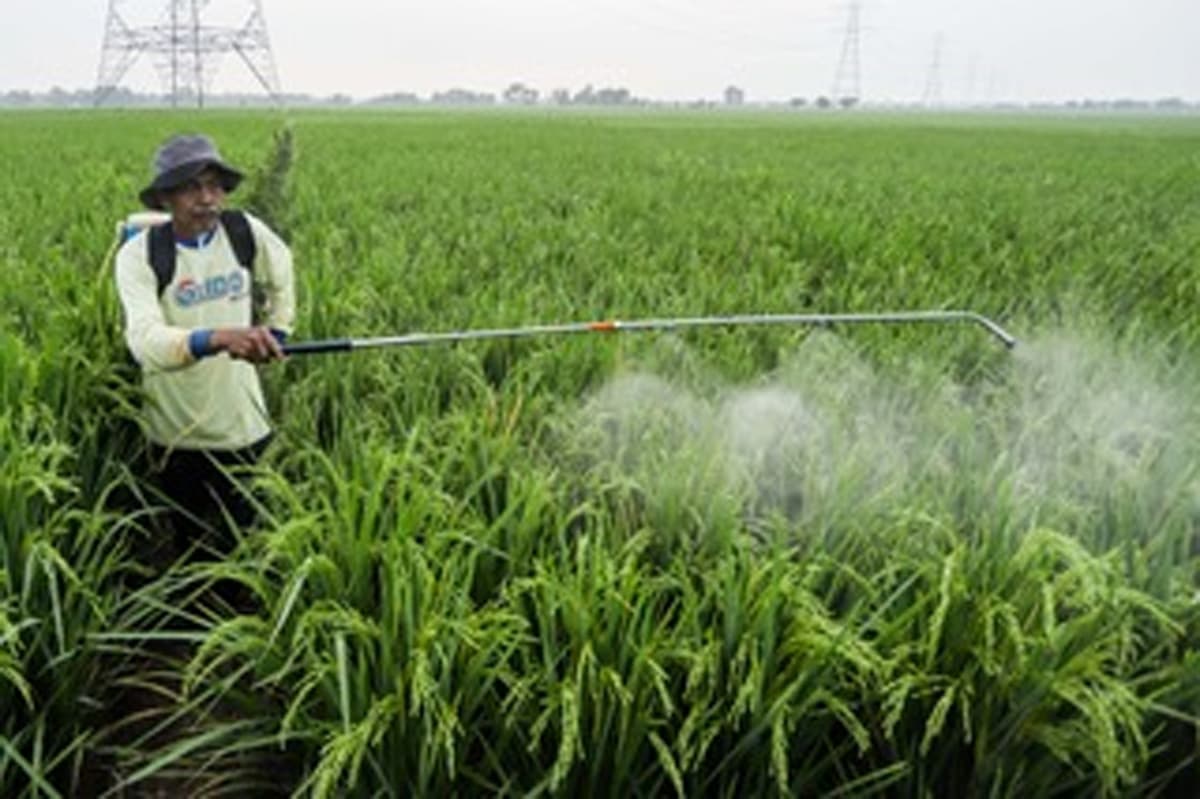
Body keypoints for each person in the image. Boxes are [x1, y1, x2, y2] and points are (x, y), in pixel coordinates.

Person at [114, 133, 295, 562]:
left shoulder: (243, 232)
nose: (207, 197)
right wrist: (216, 337)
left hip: (242, 422)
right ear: (165, 198)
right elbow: (144, 340)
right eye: (192, 187)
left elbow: (282, 276)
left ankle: (245, 612)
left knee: (246, 538)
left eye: (215, 185)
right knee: (188, 542)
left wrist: (276, 333)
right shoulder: (140, 256)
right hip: (175, 429)